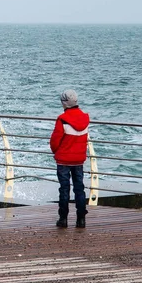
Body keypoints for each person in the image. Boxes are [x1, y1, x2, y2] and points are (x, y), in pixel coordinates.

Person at [50, 89, 90, 228]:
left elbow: (55, 140)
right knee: (79, 189)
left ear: (64, 103)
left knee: (64, 189)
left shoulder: (62, 119)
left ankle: (63, 219)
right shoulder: (85, 118)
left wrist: (57, 152)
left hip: (63, 160)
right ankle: (81, 220)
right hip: (79, 160)